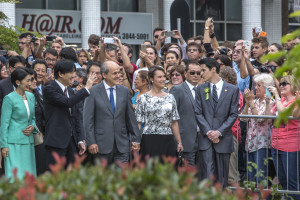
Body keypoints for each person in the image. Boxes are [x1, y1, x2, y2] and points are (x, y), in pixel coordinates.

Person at [83, 61, 141, 166]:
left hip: (122, 144)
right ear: (104, 75)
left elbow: (130, 117)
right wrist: (91, 141)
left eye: (119, 72)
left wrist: (136, 139)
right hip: (100, 145)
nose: (118, 75)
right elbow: (88, 120)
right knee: (103, 179)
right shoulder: (93, 91)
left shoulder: (124, 91)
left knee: (121, 177)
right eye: (114, 73)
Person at [43, 59, 95, 170]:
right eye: (71, 72)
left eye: (74, 72)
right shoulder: (49, 88)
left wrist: (81, 139)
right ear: (60, 73)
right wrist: (86, 88)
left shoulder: (71, 91)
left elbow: (77, 117)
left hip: (72, 142)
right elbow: (67, 103)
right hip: (56, 141)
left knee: (72, 175)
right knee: (55, 176)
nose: (74, 75)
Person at [195, 57, 239, 187]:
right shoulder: (201, 88)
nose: (200, 74)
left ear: (213, 69)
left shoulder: (232, 89)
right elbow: (198, 112)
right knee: (207, 177)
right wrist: (209, 132)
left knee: (222, 178)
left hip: (223, 139)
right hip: (206, 139)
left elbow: (233, 114)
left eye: (203, 70)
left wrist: (219, 132)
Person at [135, 66, 183, 160]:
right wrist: (136, 141)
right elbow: (138, 123)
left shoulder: (170, 97)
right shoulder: (143, 98)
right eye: (159, 77)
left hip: (168, 139)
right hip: (149, 139)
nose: (163, 79)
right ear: (151, 79)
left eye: (164, 76)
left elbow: (174, 122)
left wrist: (179, 142)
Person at [0, 67, 37, 181]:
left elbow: (33, 118)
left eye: (31, 80)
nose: (30, 83)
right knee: (15, 177)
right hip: (13, 144)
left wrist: (33, 127)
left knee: (29, 176)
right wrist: (4, 146)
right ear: (18, 82)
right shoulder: (9, 98)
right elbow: (4, 123)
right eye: (27, 80)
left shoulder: (31, 96)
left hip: (28, 142)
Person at [268, 75, 300, 200]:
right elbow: (268, 117)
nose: (281, 86)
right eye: (280, 84)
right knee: (282, 179)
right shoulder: (280, 101)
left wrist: (276, 95)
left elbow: (284, 114)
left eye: (284, 83)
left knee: (292, 181)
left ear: (293, 85)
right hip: (276, 144)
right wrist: (267, 103)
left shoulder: (295, 101)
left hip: (290, 145)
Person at [242, 74, 275, 185]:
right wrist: (247, 103)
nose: (255, 88)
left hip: (262, 145)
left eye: (259, 85)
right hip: (250, 144)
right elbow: (243, 118)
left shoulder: (271, 102)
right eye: (255, 85)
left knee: (261, 178)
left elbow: (260, 119)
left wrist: (251, 103)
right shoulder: (254, 101)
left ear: (266, 87)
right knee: (251, 179)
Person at [170, 59, 202, 166]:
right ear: (185, 73)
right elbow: (172, 116)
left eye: (198, 73)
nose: (196, 75)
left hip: (202, 139)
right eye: (192, 73)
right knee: (188, 173)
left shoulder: (203, 89)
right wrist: (178, 140)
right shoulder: (177, 89)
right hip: (185, 139)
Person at [27, 70, 47, 175]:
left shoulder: (38, 96)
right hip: (23, 137)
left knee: (40, 169)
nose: (35, 81)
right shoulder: (13, 98)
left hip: (38, 137)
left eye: (35, 79)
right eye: (31, 79)